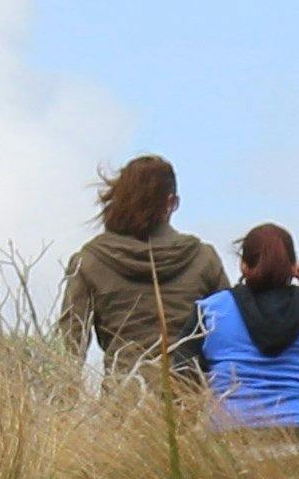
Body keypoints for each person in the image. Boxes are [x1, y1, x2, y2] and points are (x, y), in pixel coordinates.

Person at [57, 153, 228, 376]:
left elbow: (69, 350)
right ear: (171, 202)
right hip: (191, 391)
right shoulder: (203, 258)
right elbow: (231, 335)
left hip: (124, 392)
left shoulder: (90, 261)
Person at [195, 223, 299, 448]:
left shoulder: (209, 310)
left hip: (231, 434)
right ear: (294, 268)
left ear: (243, 266)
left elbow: (183, 374)